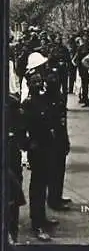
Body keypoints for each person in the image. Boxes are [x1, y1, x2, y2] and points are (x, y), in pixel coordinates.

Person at [21, 52, 60, 241]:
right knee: (37, 186)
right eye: (35, 83)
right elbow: (23, 130)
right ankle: (36, 224)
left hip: (47, 146)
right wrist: (29, 145)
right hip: (37, 150)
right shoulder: (28, 104)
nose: (39, 84)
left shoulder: (43, 99)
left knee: (43, 182)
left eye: (40, 82)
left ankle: (42, 218)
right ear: (29, 84)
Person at [46, 68, 71, 211]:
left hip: (60, 138)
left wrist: (66, 139)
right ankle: (53, 200)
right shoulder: (50, 100)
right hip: (53, 140)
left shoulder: (59, 98)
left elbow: (63, 122)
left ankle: (57, 196)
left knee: (59, 170)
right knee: (54, 171)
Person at [8, 92, 26, 243]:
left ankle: (13, 234)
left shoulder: (12, 104)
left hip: (11, 156)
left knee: (13, 197)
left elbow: (21, 132)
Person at [48, 33, 72, 107]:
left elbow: (69, 60)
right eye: (57, 39)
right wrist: (53, 68)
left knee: (65, 89)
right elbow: (50, 61)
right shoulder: (53, 50)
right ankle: (58, 103)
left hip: (64, 70)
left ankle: (64, 104)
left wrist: (68, 69)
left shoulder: (65, 49)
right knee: (56, 88)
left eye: (60, 39)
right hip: (56, 71)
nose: (59, 41)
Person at [72, 36, 89, 106]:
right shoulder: (86, 47)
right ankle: (85, 99)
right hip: (85, 68)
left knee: (85, 84)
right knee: (86, 84)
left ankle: (85, 99)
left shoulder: (81, 48)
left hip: (84, 69)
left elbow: (77, 60)